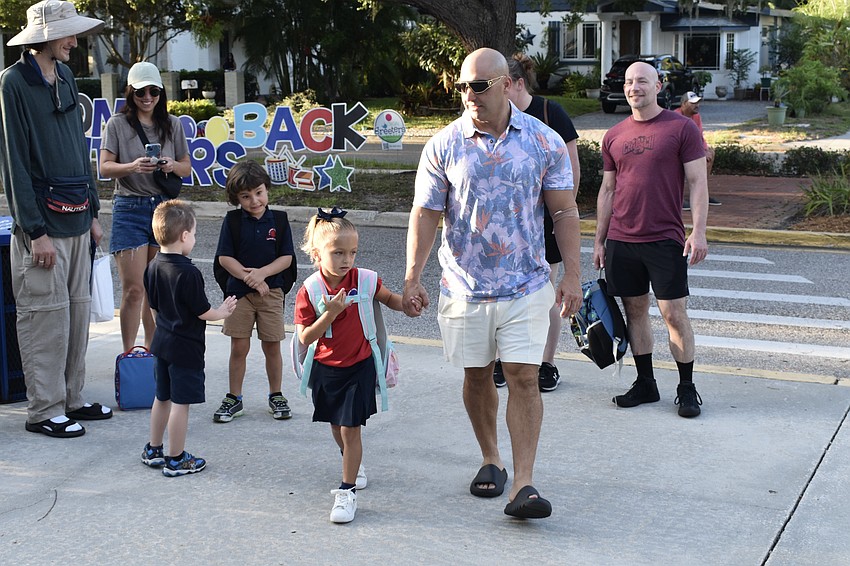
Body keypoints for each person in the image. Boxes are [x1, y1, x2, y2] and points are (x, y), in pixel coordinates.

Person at [403, 48, 582, 519]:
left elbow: (564, 210)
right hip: (463, 287)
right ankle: (491, 458)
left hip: (526, 284)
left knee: (524, 377)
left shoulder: (544, 141)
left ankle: (524, 483)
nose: (468, 95)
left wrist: (573, 275)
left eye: (478, 86)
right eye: (462, 86)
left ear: (507, 84)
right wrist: (411, 275)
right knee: (477, 375)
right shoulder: (444, 144)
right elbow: (426, 213)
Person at [0, 1, 109, 438]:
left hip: (79, 218)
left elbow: (79, 149)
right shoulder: (12, 83)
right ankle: (44, 411)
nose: (74, 41)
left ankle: (71, 399)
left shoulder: (64, 76)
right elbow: (14, 164)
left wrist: (95, 211)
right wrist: (34, 230)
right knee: (44, 317)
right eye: (68, 33)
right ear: (44, 37)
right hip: (43, 227)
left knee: (76, 315)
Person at [593, 62, 709, 418]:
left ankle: (687, 388)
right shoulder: (613, 135)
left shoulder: (682, 128)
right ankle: (646, 383)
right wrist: (599, 240)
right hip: (622, 239)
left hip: (664, 238)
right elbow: (608, 189)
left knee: (674, 313)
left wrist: (699, 230)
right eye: (629, 82)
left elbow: (698, 182)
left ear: (658, 86)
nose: (634, 87)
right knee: (635, 311)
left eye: (641, 80)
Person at [294, 208, 404, 523]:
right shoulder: (311, 290)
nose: (347, 259)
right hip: (326, 368)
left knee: (349, 427)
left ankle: (347, 491)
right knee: (335, 425)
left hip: (360, 364)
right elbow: (304, 336)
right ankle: (352, 463)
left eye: (352, 252)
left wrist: (407, 304)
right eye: (338, 252)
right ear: (316, 254)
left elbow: (389, 298)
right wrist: (329, 313)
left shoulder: (365, 279)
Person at [492, 52, 583, 392]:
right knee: (504, 296)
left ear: (516, 83)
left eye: (504, 87)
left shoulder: (550, 114)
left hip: (546, 222)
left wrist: (563, 213)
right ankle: (503, 359)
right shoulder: (493, 116)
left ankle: (546, 362)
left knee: (548, 296)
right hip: (507, 225)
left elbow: (571, 170)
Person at [100, 61, 191, 352]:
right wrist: (132, 166)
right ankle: (129, 355)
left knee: (154, 291)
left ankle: (151, 355)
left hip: (163, 210)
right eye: (141, 92)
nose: (147, 97)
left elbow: (186, 167)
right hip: (129, 207)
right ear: (131, 93)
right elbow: (104, 167)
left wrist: (171, 165)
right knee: (134, 289)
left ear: (161, 93)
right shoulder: (117, 124)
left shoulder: (172, 124)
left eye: (154, 91)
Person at [142, 200, 237, 476]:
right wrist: (222, 311)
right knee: (180, 403)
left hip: (161, 342)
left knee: (162, 397)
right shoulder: (189, 272)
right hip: (185, 348)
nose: (194, 239)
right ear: (184, 236)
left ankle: (154, 449)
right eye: (194, 234)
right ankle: (176, 458)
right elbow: (202, 311)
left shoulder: (153, 266)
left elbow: (154, 308)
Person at [212, 161, 295, 423]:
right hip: (239, 294)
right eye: (245, 196)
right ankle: (234, 397)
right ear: (236, 198)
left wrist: (262, 274)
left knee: (272, 345)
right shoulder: (233, 221)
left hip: (271, 293)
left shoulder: (279, 220)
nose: (254, 200)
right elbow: (225, 258)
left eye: (259, 192)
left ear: (267, 190)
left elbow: (286, 258)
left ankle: (276, 394)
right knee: (239, 346)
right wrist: (250, 278)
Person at [675, 91, 720, 209]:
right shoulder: (675, 117)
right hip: (677, 150)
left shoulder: (696, 117)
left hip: (691, 150)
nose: (697, 105)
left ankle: (701, 192)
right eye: (693, 103)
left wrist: (705, 150)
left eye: (698, 103)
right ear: (684, 104)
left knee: (710, 154)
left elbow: (699, 136)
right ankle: (678, 198)